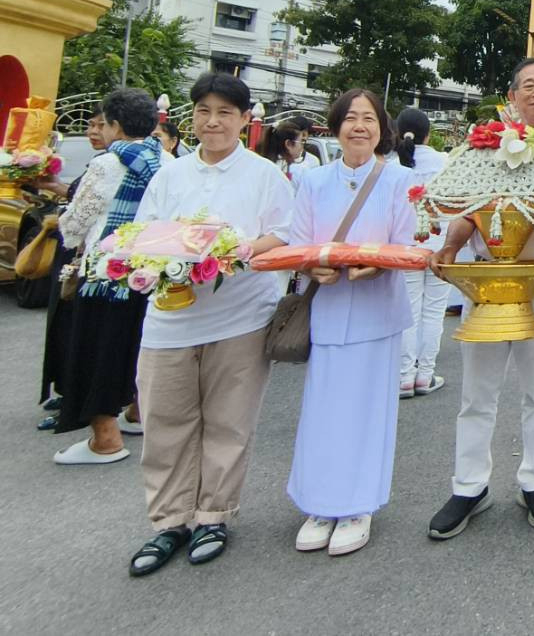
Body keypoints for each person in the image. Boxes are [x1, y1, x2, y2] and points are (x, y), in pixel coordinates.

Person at [125, 73, 294, 576]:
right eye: (204, 111)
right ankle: (169, 521)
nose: (213, 121)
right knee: (165, 422)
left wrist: (237, 251)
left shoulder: (266, 176)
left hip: (239, 318)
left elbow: (282, 235)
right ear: (191, 117)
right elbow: (143, 234)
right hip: (170, 321)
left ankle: (214, 515)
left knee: (228, 421)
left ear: (245, 121)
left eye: (225, 112)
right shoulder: (170, 174)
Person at [426, 57, 534, 540]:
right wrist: (452, 245)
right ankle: (469, 485)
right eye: (529, 86)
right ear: (513, 97)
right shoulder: (485, 147)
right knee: (477, 392)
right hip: (489, 286)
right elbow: (469, 207)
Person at [286, 89, 418, 558]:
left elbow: (408, 244)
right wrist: (309, 267)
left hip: (376, 310)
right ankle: (318, 504)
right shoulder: (314, 181)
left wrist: (380, 265)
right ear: (336, 126)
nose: (359, 126)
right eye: (350, 118)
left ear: (381, 129)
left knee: (367, 411)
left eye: (368, 119)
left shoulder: (400, 181)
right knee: (322, 409)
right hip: (327, 308)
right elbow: (298, 242)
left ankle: (358, 505)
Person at [52, 89, 165, 464]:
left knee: (96, 351)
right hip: (148, 272)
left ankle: (105, 439)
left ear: (114, 124)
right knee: (135, 345)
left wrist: (65, 228)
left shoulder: (107, 163)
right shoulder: (164, 160)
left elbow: (77, 222)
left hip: (107, 272)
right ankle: (136, 412)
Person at [37, 111, 107, 432]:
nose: (93, 131)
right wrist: (53, 185)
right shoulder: (99, 163)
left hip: (88, 259)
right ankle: (66, 392)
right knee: (64, 327)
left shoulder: (110, 166)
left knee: (77, 332)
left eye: (101, 125)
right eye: (90, 125)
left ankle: (77, 402)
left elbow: (81, 217)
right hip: (74, 255)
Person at [394, 106, 452, 398]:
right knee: (433, 313)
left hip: (405, 249)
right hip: (440, 247)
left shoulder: (393, 165)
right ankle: (425, 374)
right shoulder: (444, 162)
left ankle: (404, 376)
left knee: (409, 313)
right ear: (429, 135)